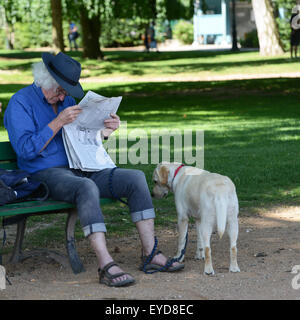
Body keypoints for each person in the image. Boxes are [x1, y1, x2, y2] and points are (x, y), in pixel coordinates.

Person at [4, 52, 184, 287]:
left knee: (134, 178)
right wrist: (57, 122)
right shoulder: (20, 103)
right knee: (85, 187)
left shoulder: (65, 101)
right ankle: (105, 263)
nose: (63, 96)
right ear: (44, 82)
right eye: (60, 90)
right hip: (44, 174)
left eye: (66, 91)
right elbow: (25, 150)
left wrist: (103, 132)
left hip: (81, 166)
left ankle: (150, 254)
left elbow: (80, 138)